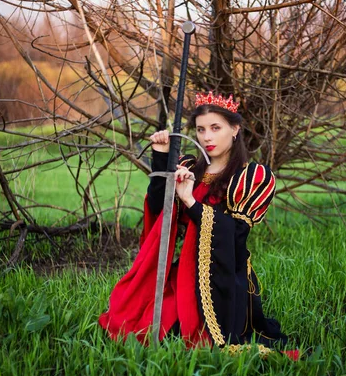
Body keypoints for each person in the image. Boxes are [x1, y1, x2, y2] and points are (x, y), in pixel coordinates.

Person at [99, 91, 291, 353]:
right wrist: (161, 156)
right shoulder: (190, 168)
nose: (207, 137)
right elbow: (159, 210)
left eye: (215, 128)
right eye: (200, 129)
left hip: (223, 280)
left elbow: (235, 236)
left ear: (235, 129)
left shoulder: (250, 176)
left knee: (184, 336)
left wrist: (191, 202)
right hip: (185, 273)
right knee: (143, 323)